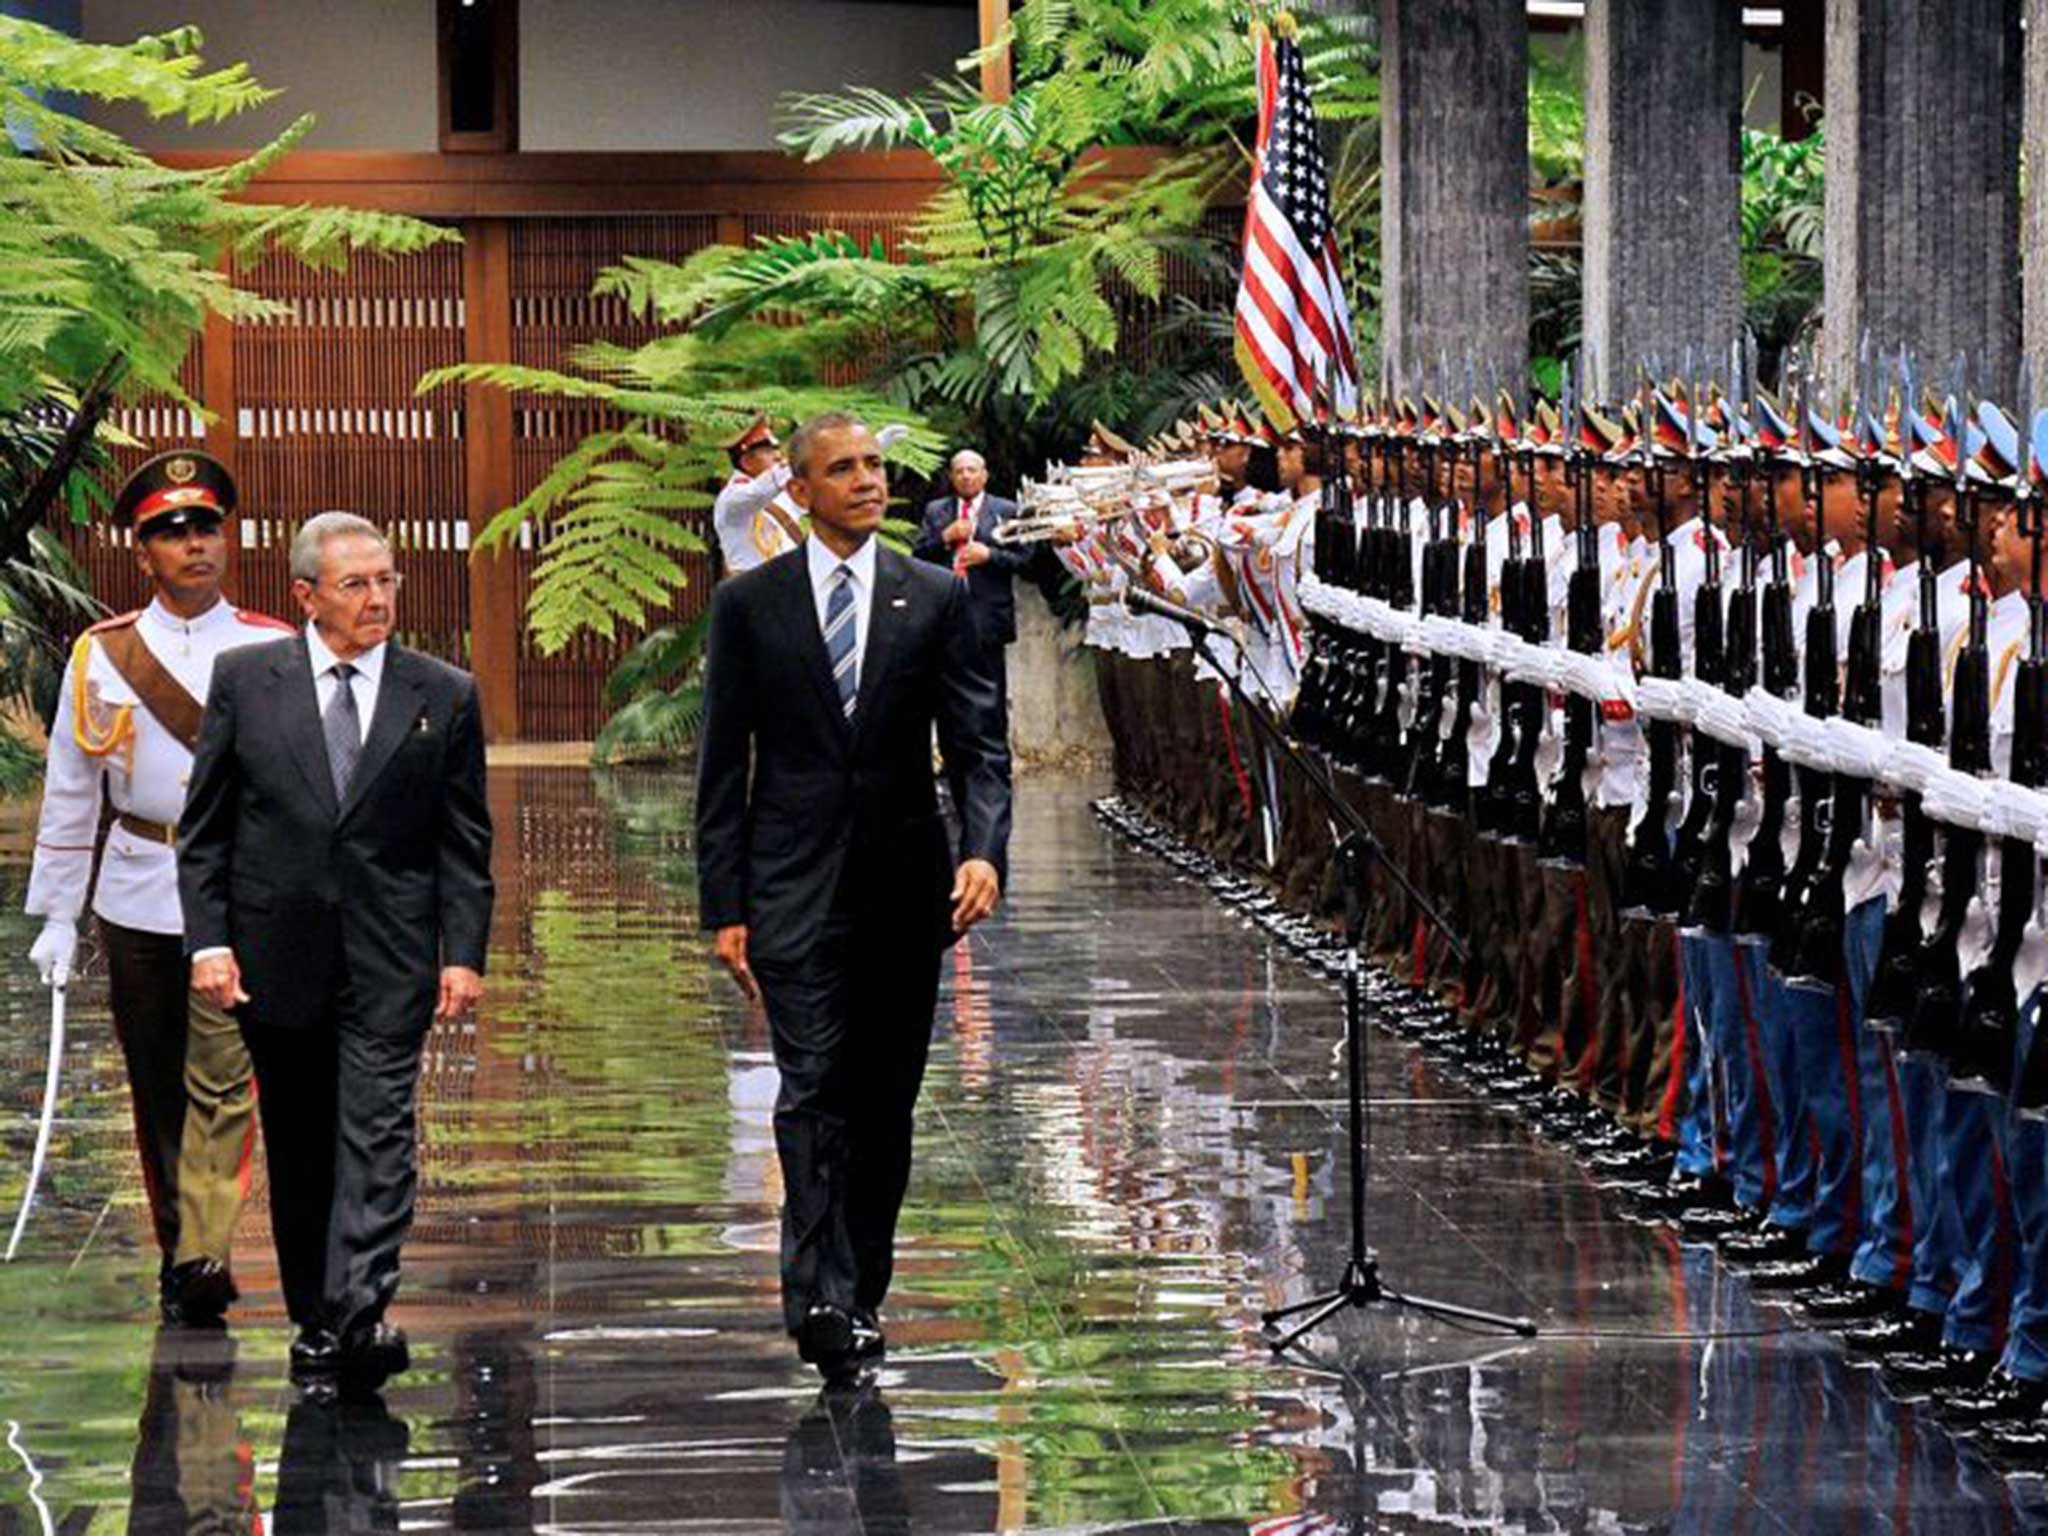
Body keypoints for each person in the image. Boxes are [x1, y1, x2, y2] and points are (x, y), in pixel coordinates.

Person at [698, 412, 1012, 1384]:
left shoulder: (931, 597)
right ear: (800, 489)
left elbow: (978, 744)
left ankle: (860, 1287)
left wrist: (984, 852)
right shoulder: (751, 606)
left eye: (875, 466)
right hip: (790, 889)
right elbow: (721, 766)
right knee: (814, 1089)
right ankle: (820, 1294)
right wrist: (724, 907)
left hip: (902, 888)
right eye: (844, 469)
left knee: (883, 1102)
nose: (869, 482)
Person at [178, 511, 493, 1392]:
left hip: (391, 955)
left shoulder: (444, 693)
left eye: (387, 580)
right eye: (356, 585)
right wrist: (210, 941)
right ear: (307, 595)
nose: (378, 599)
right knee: (304, 1140)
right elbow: (206, 831)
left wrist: (462, 952)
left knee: (380, 1134)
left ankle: (361, 1310)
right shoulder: (247, 681)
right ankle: (317, 1317)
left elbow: (464, 840)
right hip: (278, 949)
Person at [24, 449, 292, 1325]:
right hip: (138, 886)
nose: (193, 545)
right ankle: (182, 1243)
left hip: (243, 890)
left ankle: (204, 1252)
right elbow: (72, 788)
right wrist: (58, 913)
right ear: (143, 552)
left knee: (225, 1081)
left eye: (206, 527)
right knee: (156, 1084)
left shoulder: (272, 646)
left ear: (229, 538)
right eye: (171, 533)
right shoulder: (103, 656)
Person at [914, 449, 1030, 810]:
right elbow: (918, 557)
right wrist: (944, 538)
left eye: (972, 470)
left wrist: (990, 556)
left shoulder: (1006, 510)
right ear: (952, 477)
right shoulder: (937, 512)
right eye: (959, 471)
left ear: (985, 475)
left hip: (987, 620)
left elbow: (1026, 560)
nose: (966, 477)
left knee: (990, 701)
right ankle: (954, 772)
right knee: (948, 701)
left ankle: (994, 775)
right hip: (944, 621)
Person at [712, 416, 805, 574]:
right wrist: (800, 464)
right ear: (747, 462)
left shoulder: (782, 494)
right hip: (749, 587)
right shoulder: (732, 498)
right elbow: (758, 493)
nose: (778, 457)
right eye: (768, 452)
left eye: (777, 450)